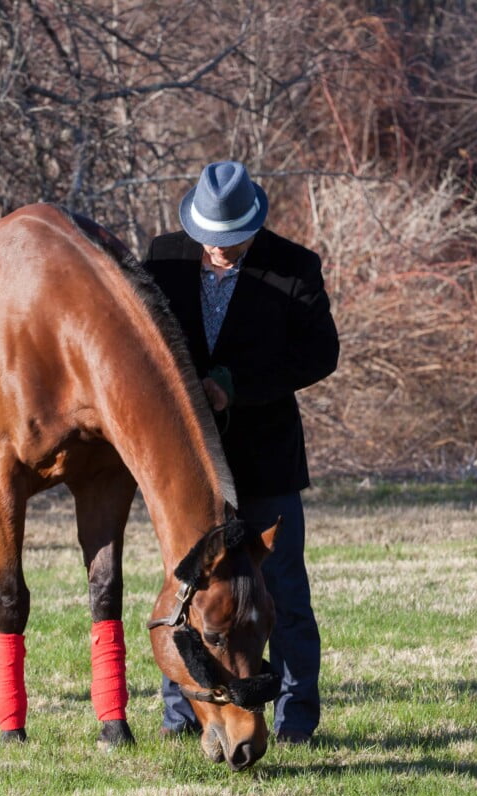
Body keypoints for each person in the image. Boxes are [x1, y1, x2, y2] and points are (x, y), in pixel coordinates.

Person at [142, 160, 339, 745]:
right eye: (211, 240)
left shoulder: (294, 267)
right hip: (186, 469)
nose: (220, 251)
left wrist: (237, 386)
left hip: (265, 459)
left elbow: (319, 355)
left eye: (232, 241)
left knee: (283, 594)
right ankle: (179, 715)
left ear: (254, 225)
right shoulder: (164, 258)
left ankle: (297, 721)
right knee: (186, 597)